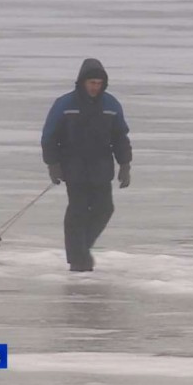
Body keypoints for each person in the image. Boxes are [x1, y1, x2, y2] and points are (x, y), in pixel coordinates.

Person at [41, 58, 132, 272]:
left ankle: (80, 251)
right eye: (91, 82)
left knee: (104, 209)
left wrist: (125, 165)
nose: (95, 87)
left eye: (99, 83)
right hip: (73, 166)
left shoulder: (111, 104)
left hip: (101, 166)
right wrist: (52, 165)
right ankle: (78, 259)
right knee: (78, 210)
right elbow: (49, 136)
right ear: (82, 82)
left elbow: (120, 137)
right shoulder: (65, 104)